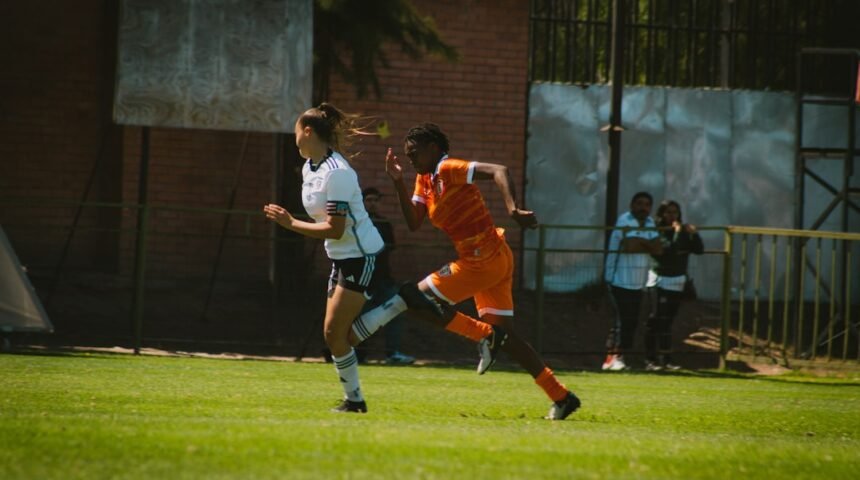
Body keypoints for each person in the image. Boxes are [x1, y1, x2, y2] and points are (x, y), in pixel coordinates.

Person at [376, 123, 580, 420]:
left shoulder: (448, 168)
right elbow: (414, 222)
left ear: (433, 148)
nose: (410, 160)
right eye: (407, 156)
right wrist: (397, 182)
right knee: (508, 339)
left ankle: (485, 335)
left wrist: (512, 209)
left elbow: (499, 170)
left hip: (482, 261)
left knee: (415, 299)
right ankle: (561, 396)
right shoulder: (425, 178)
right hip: (493, 258)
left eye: (414, 153)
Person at [263, 103, 384, 414]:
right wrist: (292, 222)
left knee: (337, 334)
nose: (293, 137)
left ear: (307, 131)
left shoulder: (337, 172)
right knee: (335, 336)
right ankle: (354, 401)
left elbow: (335, 229)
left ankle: (396, 306)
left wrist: (290, 223)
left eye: (295, 131)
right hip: (340, 257)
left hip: (360, 256)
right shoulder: (309, 167)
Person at [603, 192, 663, 371]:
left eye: (647, 204)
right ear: (632, 205)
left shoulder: (650, 222)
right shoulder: (624, 220)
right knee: (622, 321)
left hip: (639, 282)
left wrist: (639, 241)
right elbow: (630, 246)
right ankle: (613, 358)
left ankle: (618, 357)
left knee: (631, 322)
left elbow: (658, 249)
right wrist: (647, 243)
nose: (643, 207)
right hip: (618, 279)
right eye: (639, 203)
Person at [644, 200, 704, 371]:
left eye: (675, 212)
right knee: (656, 319)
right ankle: (650, 360)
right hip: (659, 280)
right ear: (662, 214)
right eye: (668, 212)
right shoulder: (657, 231)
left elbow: (699, 250)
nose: (672, 216)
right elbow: (670, 251)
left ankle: (666, 359)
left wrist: (694, 234)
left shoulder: (683, 231)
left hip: (677, 281)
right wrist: (678, 233)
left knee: (668, 321)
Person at [359, 186, 415, 365]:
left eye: (376, 200)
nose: (373, 204)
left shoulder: (384, 224)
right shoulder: (357, 223)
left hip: (383, 279)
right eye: (369, 200)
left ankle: (393, 353)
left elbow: (387, 249)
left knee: (395, 310)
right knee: (360, 317)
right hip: (362, 281)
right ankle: (358, 354)